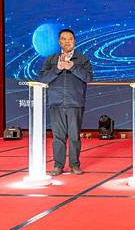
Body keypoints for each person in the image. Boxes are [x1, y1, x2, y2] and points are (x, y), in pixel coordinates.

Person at [39, 28, 92, 176]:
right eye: (63, 39)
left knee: (75, 137)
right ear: (59, 41)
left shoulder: (82, 59)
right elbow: (42, 79)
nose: (67, 41)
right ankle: (58, 165)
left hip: (75, 103)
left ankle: (75, 165)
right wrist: (57, 69)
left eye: (70, 39)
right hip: (56, 103)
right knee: (58, 137)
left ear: (74, 41)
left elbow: (88, 78)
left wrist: (72, 67)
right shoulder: (51, 60)